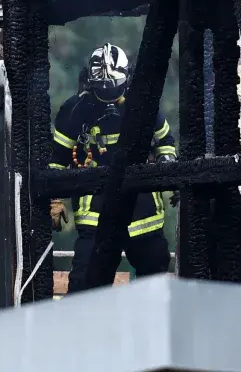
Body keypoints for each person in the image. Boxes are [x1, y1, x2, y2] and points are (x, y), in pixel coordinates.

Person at [50, 43, 177, 293]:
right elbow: (58, 159)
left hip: (144, 214)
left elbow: (166, 143)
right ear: (90, 81)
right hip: (96, 215)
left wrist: (168, 170)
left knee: (154, 285)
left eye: (115, 88)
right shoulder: (75, 110)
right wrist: (54, 197)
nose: (110, 93)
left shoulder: (145, 104)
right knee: (85, 286)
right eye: (103, 88)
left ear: (127, 79)